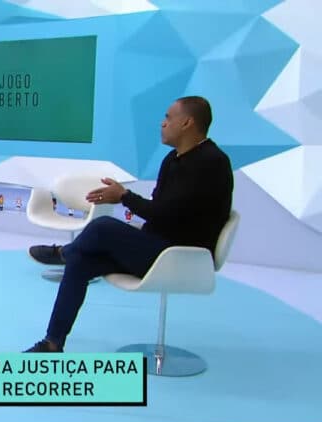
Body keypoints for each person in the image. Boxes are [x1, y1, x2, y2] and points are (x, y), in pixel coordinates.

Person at [24, 96, 233, 352]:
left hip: (182, 254)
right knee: (81, 261)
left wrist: (123, 196)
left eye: (168, 117)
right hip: (156, 246)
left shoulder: (212, 162)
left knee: (102, 226)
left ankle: (63, 253)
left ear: (187, 122)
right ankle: (53, 343)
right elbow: (159, 211)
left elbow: (167, 214)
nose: (163, 123)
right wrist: (125, 199)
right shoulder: (172, 160)